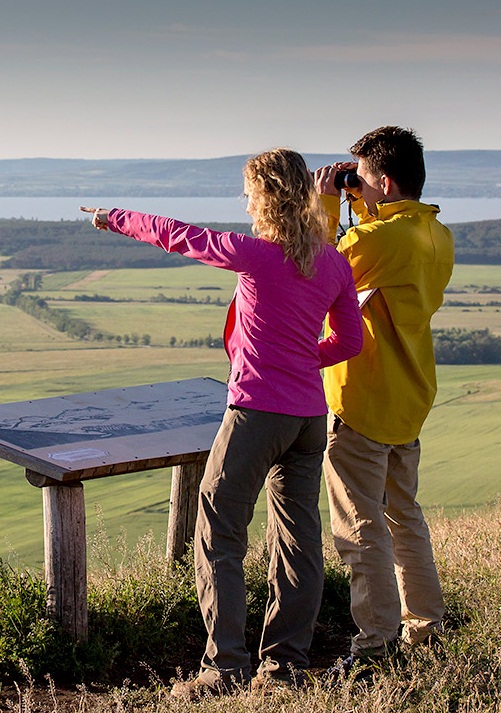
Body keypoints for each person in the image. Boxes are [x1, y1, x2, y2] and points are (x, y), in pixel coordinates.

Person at [83, 148, 363, 698]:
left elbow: (177, 233)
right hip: (308, 417)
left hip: (257, 413)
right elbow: (350, 341)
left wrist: (111, 216)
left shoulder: (257, 255)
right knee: (299, 540)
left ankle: (225, 669)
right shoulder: (332, 261)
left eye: (249, 193)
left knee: (218, 530)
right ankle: (285, 668)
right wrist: (304, 360)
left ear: (263, 198)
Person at [314, 126, 454, 673]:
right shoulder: (433, 234)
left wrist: (326, 208)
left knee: (360, 528)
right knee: (403, 516)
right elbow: (379, 252)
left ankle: (375, 648)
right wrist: (360, 203)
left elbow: (314, 272)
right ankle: (427, 629)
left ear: (385, 181)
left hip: (363, 398)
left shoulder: (380, 240)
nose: (357, 187)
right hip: (408, 395)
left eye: (364, 178)